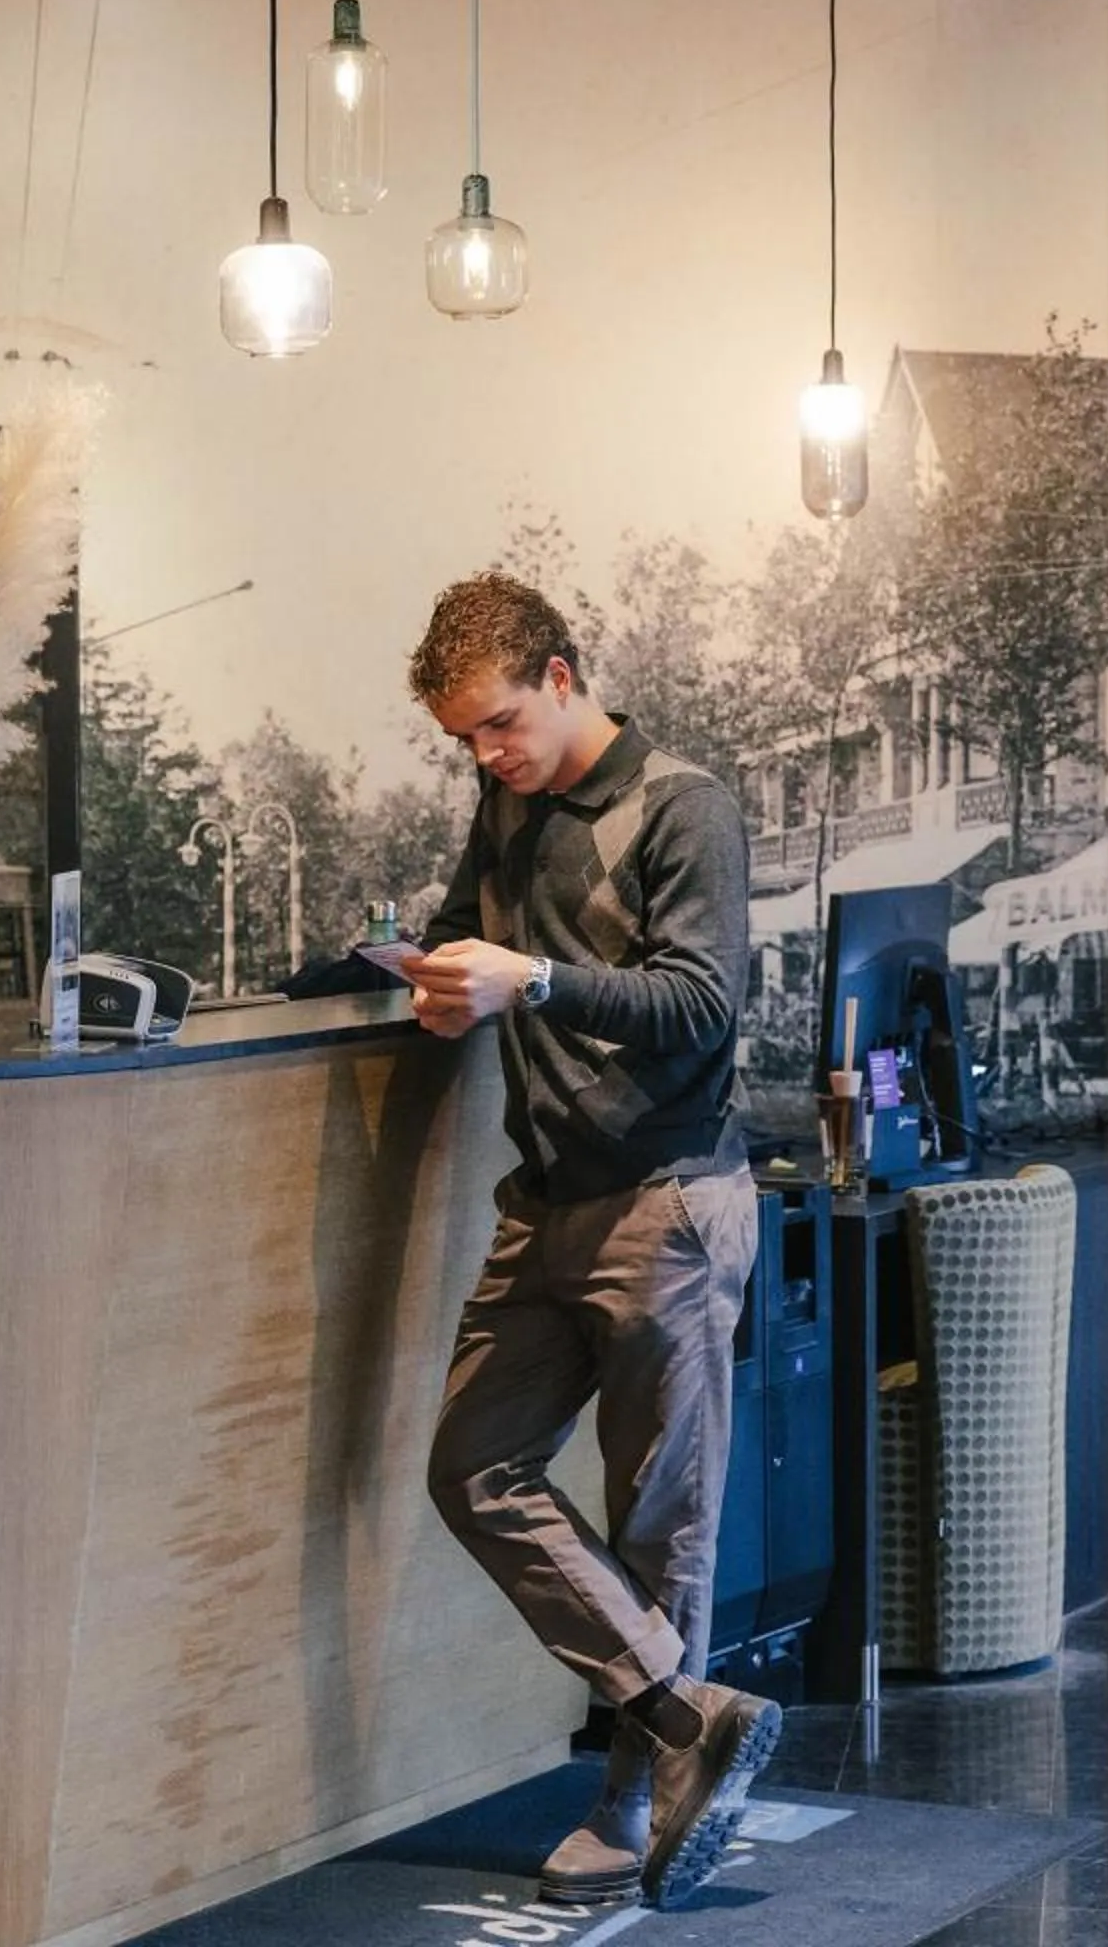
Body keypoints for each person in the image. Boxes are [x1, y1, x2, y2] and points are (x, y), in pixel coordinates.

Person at [397, 572, 777, 1912]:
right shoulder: (505, 802)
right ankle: (689, 1718)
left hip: (668, 1203)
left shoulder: (686, 803)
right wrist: (437, 977)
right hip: (546, 1201)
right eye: (465, 741)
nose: (487, 757)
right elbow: (469, 933)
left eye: (499, 725)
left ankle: (633, 1800)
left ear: (561, 677)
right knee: (472, 1468)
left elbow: (703, 1001)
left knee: (663, 1529)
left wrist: (536, 980)